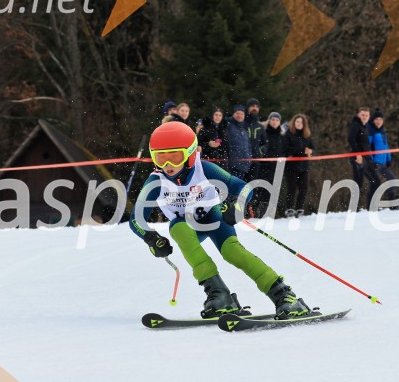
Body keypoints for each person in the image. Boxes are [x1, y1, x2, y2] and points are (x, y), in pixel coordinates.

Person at [129, 121, 313, 319]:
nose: (168, 165)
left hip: (214, 218)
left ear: (190, 154)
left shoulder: (203, 169)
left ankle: (285, 296)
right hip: (188, 227)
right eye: (161, 158)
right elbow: (136, 220)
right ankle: (219, 295)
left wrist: (238, 207)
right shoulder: (156, 181)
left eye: (175, 157)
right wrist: (150, 238)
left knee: (233, 252)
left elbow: (244, 187)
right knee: (178, 227)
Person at [347, 106, 380, 210]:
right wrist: (357, 154)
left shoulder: (364, 126)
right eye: (362, 115)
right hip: (358, 158)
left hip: (366, 158)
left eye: (366, 115)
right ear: (358, 115)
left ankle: (371, 206)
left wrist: (370, 157)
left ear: (369, 116)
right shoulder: (355, 125)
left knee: (375, 181)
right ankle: (353, 208)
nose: (364, 117)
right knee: (358, 183)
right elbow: (351, 139)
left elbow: (365, 144)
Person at [254, 111, 286, 217]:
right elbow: (260, 146)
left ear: (279, 122)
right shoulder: (264, 132)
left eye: (277, 120)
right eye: (272, 119)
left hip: (276, 167)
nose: (274, 122)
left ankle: (269, 212)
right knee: (262, 188)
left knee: (273, 189)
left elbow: (284, 151)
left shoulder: (282, 136)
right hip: (264, 166)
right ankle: (257, 210)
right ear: (269, 120)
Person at [283, 113, 315, 216]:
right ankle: (289, 209)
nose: (299, 123)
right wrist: (302, 151)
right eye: (297, 121)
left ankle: (299, 208)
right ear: (294, 122)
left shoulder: (307, 136)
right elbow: (286, 149)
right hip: (291, 167)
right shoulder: (288, 134)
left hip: (304, 166)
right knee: (291, 188)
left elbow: (312, 149)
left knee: (304, 188)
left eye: (301, 122)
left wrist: (311, 152)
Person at [367, 109, 399, 207]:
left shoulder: (382, 131)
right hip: (375, 163)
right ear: (373, 120)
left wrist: (389, 159)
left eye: (380, 119)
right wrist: (370, 160)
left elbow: (386, 146)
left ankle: (392, 204)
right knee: (375, 184)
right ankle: (372, 206)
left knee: (392, 179)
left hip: (383, 163)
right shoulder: (370, 131)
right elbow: (367, 147)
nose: (378, 121)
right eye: (376, 119)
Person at [244, 98, 268, 182]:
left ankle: (248, 195)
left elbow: (264, 143)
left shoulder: (259, 126)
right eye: (252, 106)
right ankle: (239, 196)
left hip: (255, 160)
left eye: (257, 106)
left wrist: (260, 152)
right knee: (240, 183)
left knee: (251, 184)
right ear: (248, 108)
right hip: (242, 159)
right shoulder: (242, 123)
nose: (255, 108)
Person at [226, 104, 252, 180]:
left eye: (242, 114)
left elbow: (248, 146)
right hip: (232, 165)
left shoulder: (244, 130)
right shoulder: (229, 126)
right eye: (237, 113)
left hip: (244, 166)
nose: (239, 115)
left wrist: (249, 159)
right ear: (233, 114)